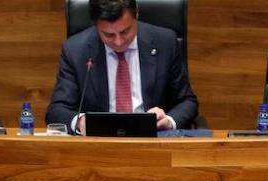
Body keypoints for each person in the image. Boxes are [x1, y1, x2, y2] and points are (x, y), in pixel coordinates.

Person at [45, 0, 198, 134]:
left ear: (136, 13)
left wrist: (169, 121)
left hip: (152, 141)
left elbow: (187, 101)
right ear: (96, 24)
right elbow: (57, 110)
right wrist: (81, 122)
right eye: (108, 35)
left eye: (125, 31)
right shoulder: (75, 50)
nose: (118, 42)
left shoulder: (165, 42)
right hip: (99, 143)